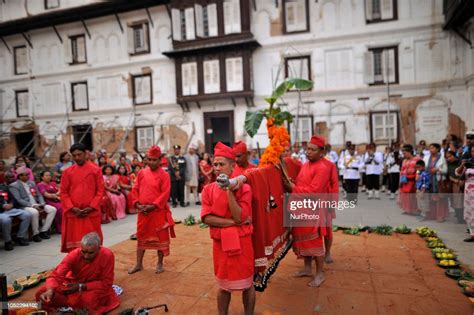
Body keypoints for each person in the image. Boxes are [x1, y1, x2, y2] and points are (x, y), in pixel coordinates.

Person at [201, 142, 255, 314]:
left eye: (221, 164)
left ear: (232, 167)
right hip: (221, 244)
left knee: (247, 284)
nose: (217, 168)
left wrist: (229, 190)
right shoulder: (208, 189)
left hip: (242, 242)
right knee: (224, 286)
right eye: (215, 164)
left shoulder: (245, 188)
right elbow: (207, 218)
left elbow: (239, 215)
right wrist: (233, 223)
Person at [283, 135, 331, 287]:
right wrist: (293, 182)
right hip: (300, 207)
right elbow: (302, 182)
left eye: (312, 149)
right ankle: (307, 268)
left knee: (315, 242)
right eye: (307, 149)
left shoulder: (322, 169)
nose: (308, 152)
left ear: (321, 152)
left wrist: (293, 188)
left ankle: (320, 273)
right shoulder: (305, 165)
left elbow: (314, 191)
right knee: (303, 239)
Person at [36, 232, 120, 314]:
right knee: (41, 293)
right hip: (71, 284)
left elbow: (106, 283)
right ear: (80, 248)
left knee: (88, 301)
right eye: (83, 252)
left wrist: (81, 286)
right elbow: (56, 275)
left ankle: (69, 304)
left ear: (99, 249)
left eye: (90, 253)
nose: (86, 256)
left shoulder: (107, 255)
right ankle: (66, 304)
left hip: (92, 288)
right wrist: (50, 290)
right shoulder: (74, 254)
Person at [128, 145, 175, 274]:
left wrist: (153, 205)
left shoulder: (164, 175)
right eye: (150, 159)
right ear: (146, 160)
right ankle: (138, 264)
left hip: (158, 211)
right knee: (141, 237)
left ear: (160, 160)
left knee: (160, 239)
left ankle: (160, 263)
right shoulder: (142, 173)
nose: (152, 162)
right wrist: (137, 203)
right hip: (143, 212)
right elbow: (135, 189)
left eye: (155, 160)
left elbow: (165, 193)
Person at [60, 143, 105, 253]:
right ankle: (76, 267)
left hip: (90, 213)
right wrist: (72, 208)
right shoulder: (67, 172)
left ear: (86, 154)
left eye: (79, 155)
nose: (77, 158)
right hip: (73, 213)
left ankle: (93, 268)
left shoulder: (96, 170)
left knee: (92, 243)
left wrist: (91, 207)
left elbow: (100, 191)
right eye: (74, 155)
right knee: (74, 246)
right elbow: (63, 192)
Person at [9, 166, 57, 242]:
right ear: (20, 176)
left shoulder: (31, 183)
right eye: (25, 175)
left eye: (27, 174)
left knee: (53, 209)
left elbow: (39, 195)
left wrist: (42, 203)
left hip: (37, 203)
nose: (27, 176)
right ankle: (35, 234)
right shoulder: (14, 185)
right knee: (34, 212)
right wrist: (33, 205)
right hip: (24, 206)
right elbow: (19, 200)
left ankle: (44, 231)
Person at [0, 172, 32, 250]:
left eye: (12, 177)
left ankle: (20, 237)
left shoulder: (3, 187)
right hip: (1, 211)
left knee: (27, 215)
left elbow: (13, 199)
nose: (11, 179)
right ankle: (8, 241)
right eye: (9, 177)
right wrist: (3, 206)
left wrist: (11, 204)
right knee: (6, 220)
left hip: (10, 209)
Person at [423, 143, 448, 222]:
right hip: (428, 180)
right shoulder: (426, 158)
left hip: (438, 181)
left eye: (433, 148)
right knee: (429, 198)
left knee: (439, 198)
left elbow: (445, 171)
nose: (431, 150)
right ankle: (431, 215)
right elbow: (422, 168)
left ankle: (440, 216)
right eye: (430, 148)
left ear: (437, 149)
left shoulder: (442, 158)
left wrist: (437, 170)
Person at [455, 146, 474, 242]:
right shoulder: (468, 162)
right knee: (469, 212)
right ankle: (472, 234)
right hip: (468, 192)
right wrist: (462, 165)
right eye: (472, 151)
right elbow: (457, 173)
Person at [398, 144, 422, 215]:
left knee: (413, 196)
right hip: (404, 180)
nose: (404, 155)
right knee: (405, 196)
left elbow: (420, 170)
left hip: (413, 180)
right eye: (403, 153)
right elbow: (402, 170)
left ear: (410, 152)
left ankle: (415, 210)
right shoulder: (404, 160)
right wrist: (400, 180)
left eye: (405, 153)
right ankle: (407, 209)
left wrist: (417, 177)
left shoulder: (417, 159)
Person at [445, 150, 464, 223]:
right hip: (454, 184)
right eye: (447, 157)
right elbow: (448, 175)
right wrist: (454, 180)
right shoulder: (448, 164)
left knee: (462, 201)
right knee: (456, 201)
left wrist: (461, 180)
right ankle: (460, 218)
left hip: (462, 182)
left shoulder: (460, 162)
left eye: (450, 156)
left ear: (454, 155)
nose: (449, 158)